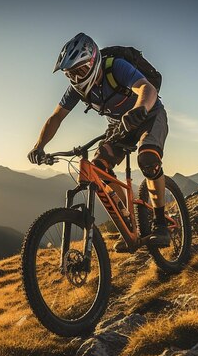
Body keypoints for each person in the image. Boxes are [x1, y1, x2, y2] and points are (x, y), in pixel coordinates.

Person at [27, 33, 170, 251]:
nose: (76, 78)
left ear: (93, 62)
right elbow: (56, 117)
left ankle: (161, 224)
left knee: (148, 159)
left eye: (80, 71)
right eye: (70, 74)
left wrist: (140, 108)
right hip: (118, 125)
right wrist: (39, 146)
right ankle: (129, 224)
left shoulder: (116, 67)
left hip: (149, 115)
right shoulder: (76, 88)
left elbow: (146, 88)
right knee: (99, 169)